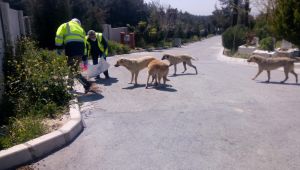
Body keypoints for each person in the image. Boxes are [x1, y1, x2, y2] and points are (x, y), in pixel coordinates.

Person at [55, 18, 95, 93]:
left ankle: (86, 84)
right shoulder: (81, 29)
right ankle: (70, 86)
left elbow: (59, 35)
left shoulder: (65, 25)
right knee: (73, 68)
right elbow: (84, 42)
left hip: (71, 48)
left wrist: (59, 47)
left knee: (73, 69)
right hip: (80, 49)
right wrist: (84, 55)